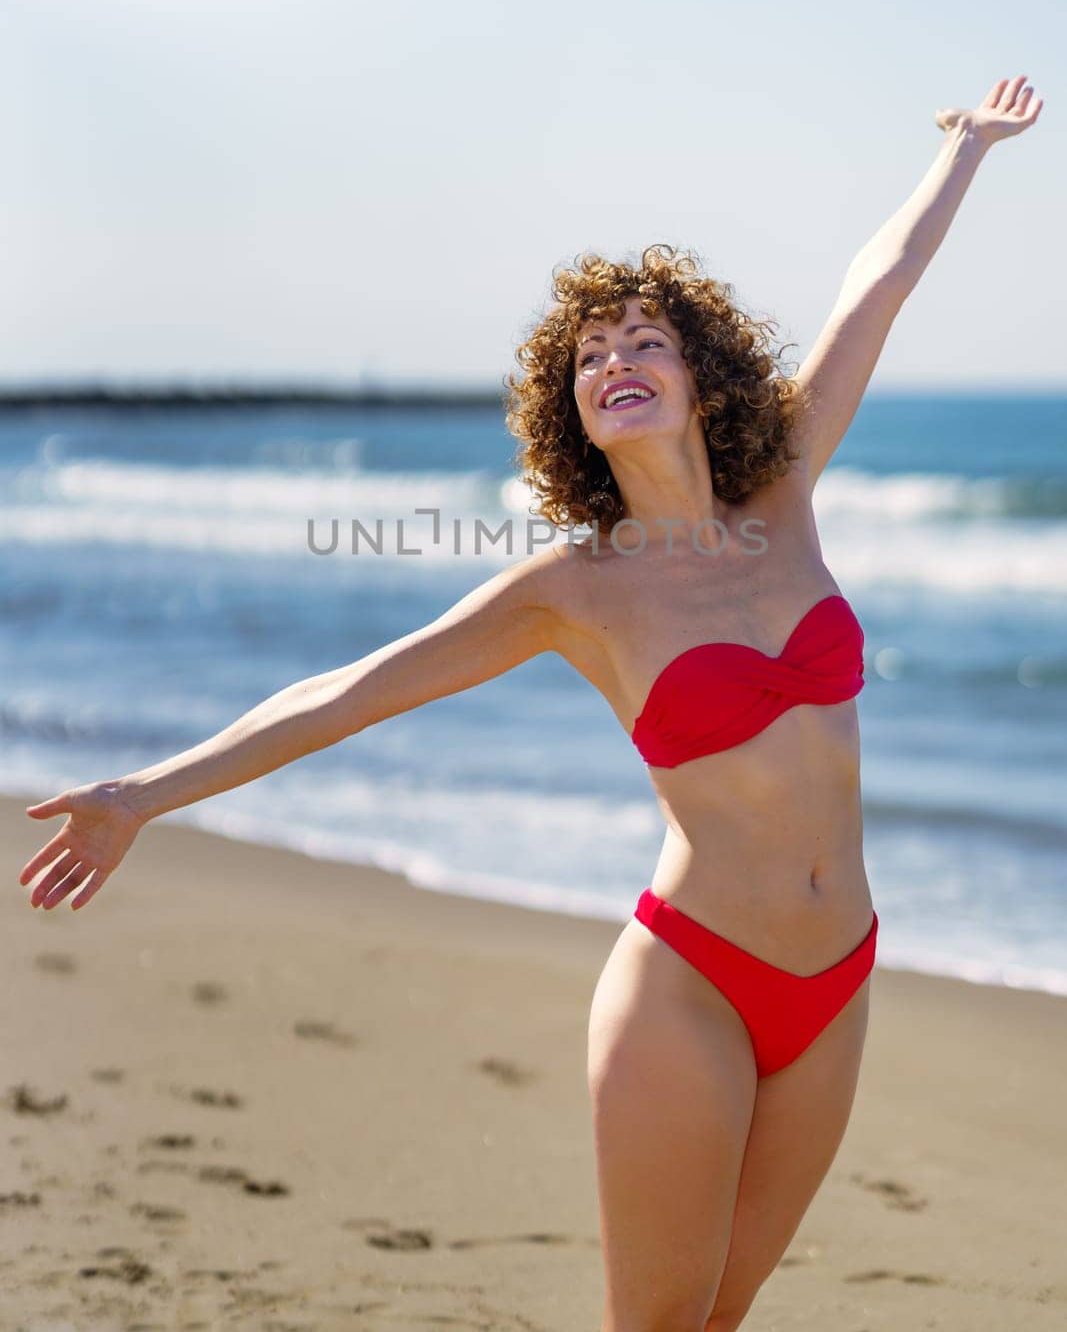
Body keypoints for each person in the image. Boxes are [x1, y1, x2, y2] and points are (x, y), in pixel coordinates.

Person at [20, 75, 1043, 1331]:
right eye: (588, 354)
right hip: (693, 984)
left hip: (841, 976)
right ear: (572, 415)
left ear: (698, 371)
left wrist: (962, 152)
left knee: (718, 1321)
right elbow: (348, 692)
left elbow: (874, 288)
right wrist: (141, 794)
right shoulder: (573, 590)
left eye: (643, 338)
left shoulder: (780, 490)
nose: (615, 358)